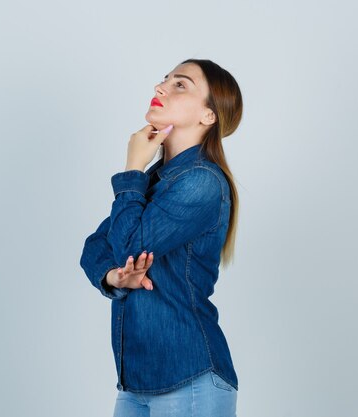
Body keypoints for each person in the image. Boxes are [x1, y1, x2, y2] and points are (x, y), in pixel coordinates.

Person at [80, 58, 243, 417]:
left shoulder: (202, 182)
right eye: (165, 80)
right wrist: (115, 276)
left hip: (190, 379)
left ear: (208, 116)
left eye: (180, 85)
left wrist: (132, 168)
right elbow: (93, 248)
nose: (161, 88)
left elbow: (127, 245)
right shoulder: (155, 181)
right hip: (136, 384)